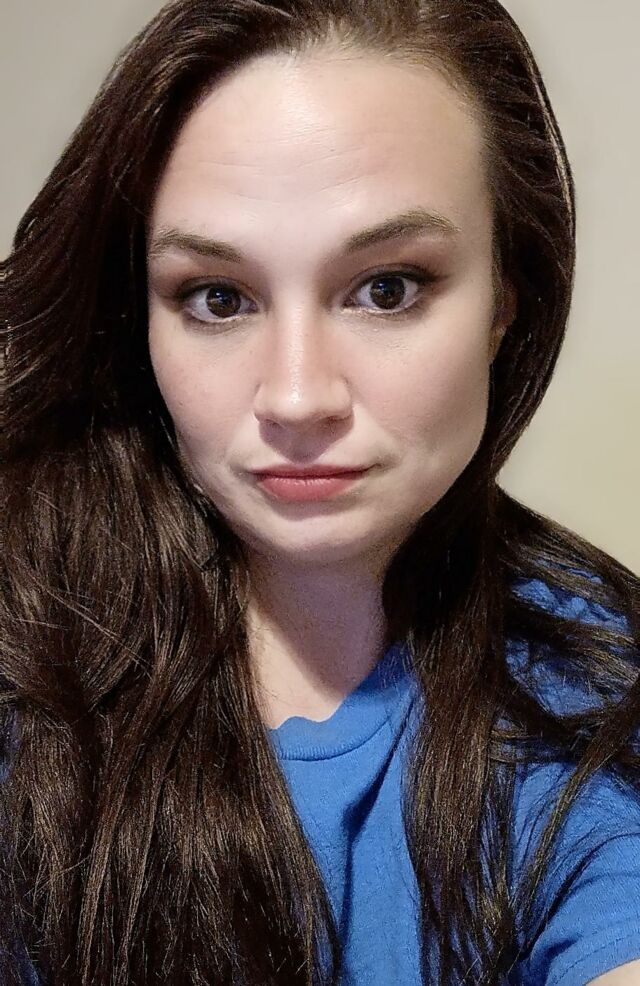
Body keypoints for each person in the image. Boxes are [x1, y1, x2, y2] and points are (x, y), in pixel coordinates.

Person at [1, 0, 639, 984]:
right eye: (218, 298)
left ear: (504, 303)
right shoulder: (27, 655)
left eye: (386, 288)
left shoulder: (593, 694)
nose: (297, 397)